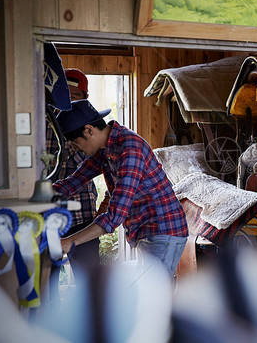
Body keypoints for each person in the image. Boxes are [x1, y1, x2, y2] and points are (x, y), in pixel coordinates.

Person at [53, 99, 188, 278]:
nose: (78, 149)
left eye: (77, 143)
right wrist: (38, 196)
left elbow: (114, 217)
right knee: (151, 296)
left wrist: (70, 241)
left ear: (89, 130)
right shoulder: (103, 149)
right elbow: (75, 180)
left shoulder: (129, 148)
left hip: (164, 230)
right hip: (144, 230)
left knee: (154, 298)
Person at [45, 67, 101, 310]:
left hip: (85, 215)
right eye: (67, 94)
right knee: (47, 282)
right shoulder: (47, 123)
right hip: (52, 216)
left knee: (91, 283)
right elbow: (48, 166)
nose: (72, 100)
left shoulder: (90, 124)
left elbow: (95, 163)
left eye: (78, 95)